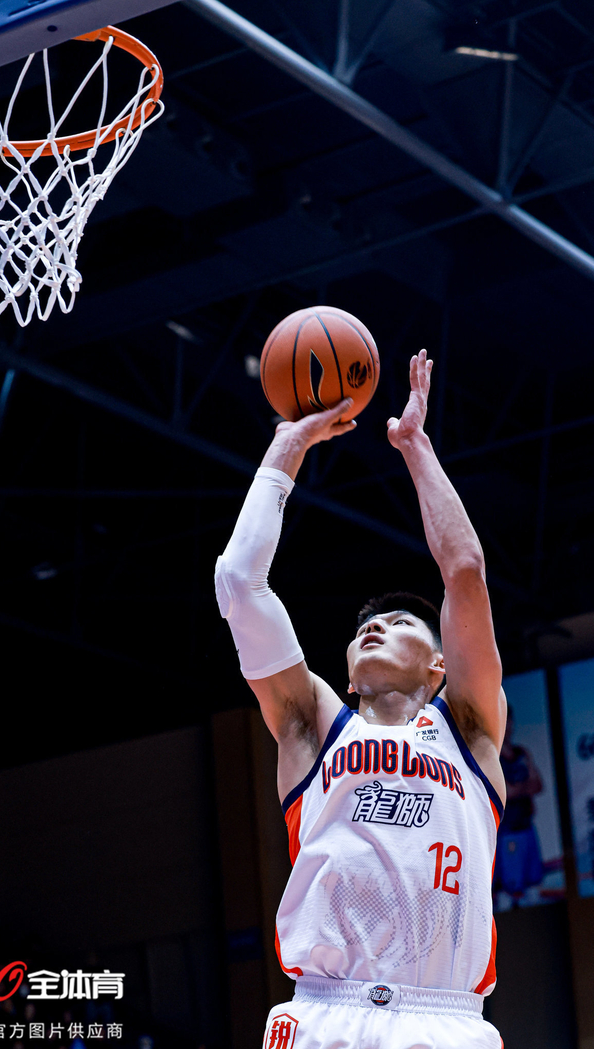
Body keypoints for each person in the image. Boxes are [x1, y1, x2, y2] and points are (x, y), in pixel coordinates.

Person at [215, 350, 507, 1049]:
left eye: (402, 623)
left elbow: (464, 570)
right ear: (346, 671)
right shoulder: (314, 725)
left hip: (446, 1018)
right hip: (324, 1011)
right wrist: (286, 450)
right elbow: (238, 583)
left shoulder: (469, 729)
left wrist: (415, 447)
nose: (375, 626)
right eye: (363, 628)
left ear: (440, 666)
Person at [494, 706, 544, 910]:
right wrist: (524, 788)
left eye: (509, 720)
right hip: (508, 833)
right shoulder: (492, 757)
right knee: (510, 893)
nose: (507, 726)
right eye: (502, 720)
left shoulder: (522, 753)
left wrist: (519, 789)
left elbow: (538, 785)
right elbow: (506, 792)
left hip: (528, 828)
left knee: (533, 886)